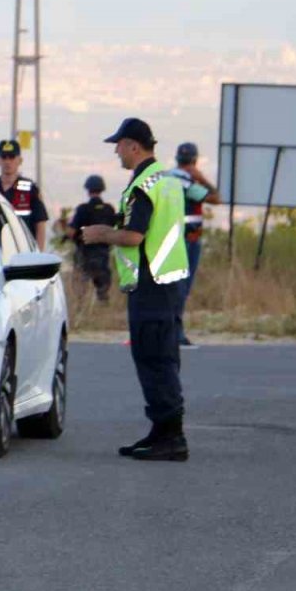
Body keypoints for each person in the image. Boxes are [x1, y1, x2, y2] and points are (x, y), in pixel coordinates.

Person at [80, 118, 189, 462]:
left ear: (134, 145)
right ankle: (161, 432)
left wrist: (100, 233)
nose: (116, 151)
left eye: (119, 144)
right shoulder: (168, 179)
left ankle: (171, 437)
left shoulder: (143, 185)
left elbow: (134, 236)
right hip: (169, 281)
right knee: (164, 356)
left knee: (152, 358)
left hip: (150, 283)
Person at [168, 142, 221, 349]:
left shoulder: (167, 177)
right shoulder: (187, 182)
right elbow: (216, 198)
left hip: (172, 238)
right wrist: (201, 177)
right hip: (188, 239)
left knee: (174, 286)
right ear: (194, 161)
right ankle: (176, 333)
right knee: (182, 287)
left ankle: (170, 331)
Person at [0, 140, 49, 250]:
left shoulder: (30, 189)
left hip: (23, 251)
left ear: (20, 160)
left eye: (12, 157)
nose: (7, 162)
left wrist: (39, 254)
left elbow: (40, 223)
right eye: (4, 157)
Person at [63, 175, 116, 301]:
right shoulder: (109, 209)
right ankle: (101, 306)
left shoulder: (83, 209)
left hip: (84, 253)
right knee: (102, 288)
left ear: (88, 190)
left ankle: (82, 307)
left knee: (81, 287)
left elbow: (71, 231)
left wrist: (67, 235)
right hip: (103, 254)